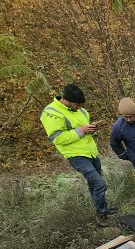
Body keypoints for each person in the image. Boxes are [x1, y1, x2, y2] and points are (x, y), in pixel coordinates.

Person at [40, 84, 116, 227]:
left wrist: (90, 128)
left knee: (94, 184)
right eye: (78, 105)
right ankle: (101, 215)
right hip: (76, 155)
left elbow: (83, 129)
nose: (80, 107)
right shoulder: (51, 112)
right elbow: (57, 138)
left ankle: (103, 209)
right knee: (100, 184)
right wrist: (81, 130)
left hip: (91, 152)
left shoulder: (81, 110)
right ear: (68, 101)